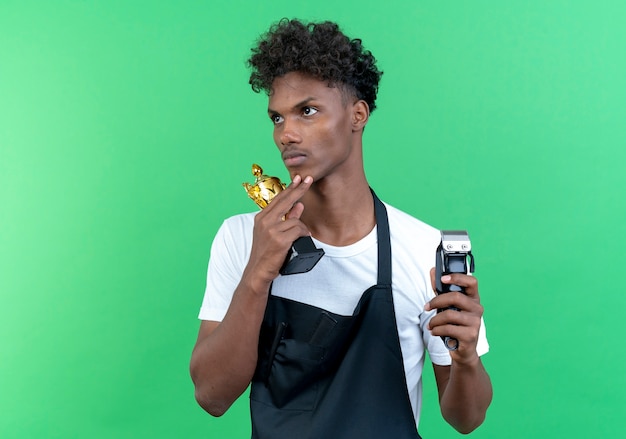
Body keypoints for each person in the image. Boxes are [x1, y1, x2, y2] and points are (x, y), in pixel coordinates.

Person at [190, 18, 492, 438]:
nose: (286, 134)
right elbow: (212, 396)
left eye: (307, 111)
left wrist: (466, 360)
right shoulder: (243, 237)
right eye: (277, 118)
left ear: (357, 114)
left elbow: (466, 419)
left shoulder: (424, 249)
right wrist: (258, 274)